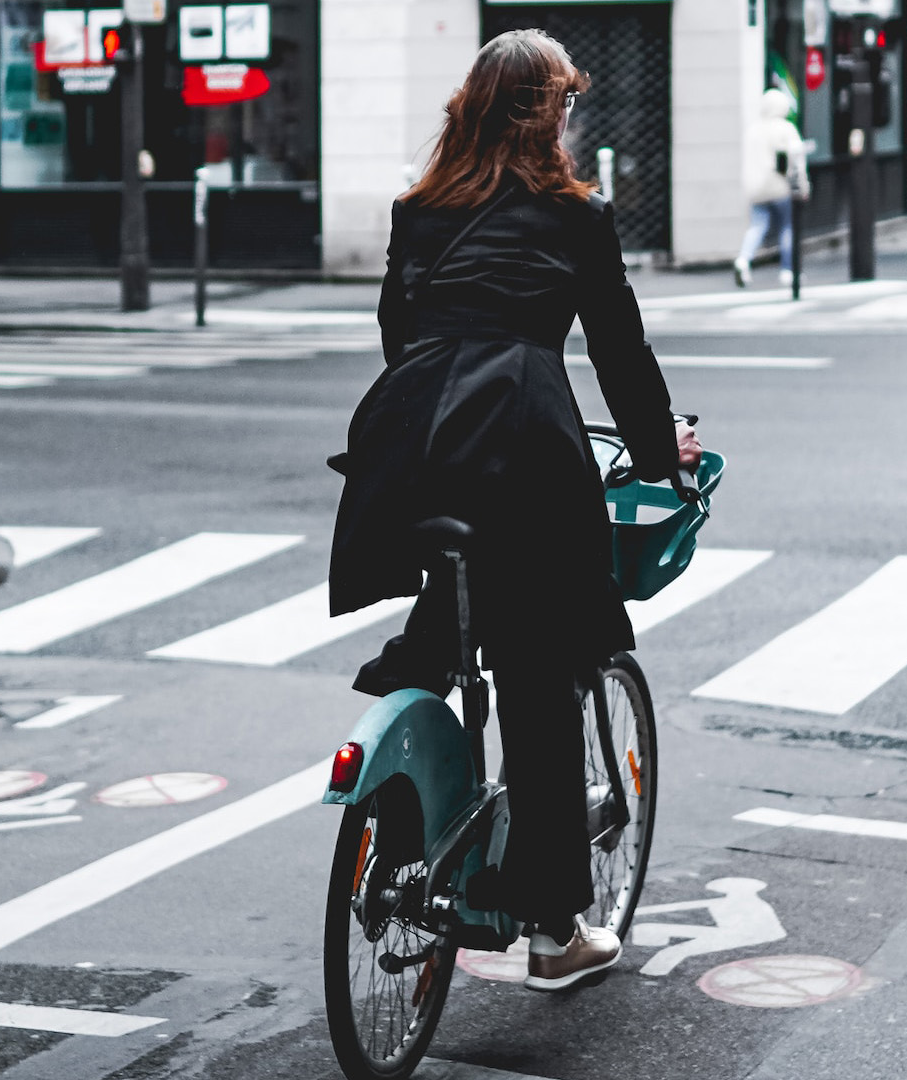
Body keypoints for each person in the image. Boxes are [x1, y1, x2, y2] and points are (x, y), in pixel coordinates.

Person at [328, 29, 702, 992]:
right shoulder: (575, 214)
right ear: (549, 117)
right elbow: (619, 351)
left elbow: (396, 334)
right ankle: (552, 930)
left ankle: (418, 781)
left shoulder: (421, 211)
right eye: (567, 106)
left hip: (413, 440)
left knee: (451, 628)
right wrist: (663, 457)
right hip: (525, 441)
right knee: (541, 673)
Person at [734, 88, 810, 287]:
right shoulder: (786, 129)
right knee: (787, 227)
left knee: (757, 226)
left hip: (756, 188)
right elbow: (796, 161)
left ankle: (743, 260)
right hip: (780, 187)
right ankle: (788, 270)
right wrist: (802, 185)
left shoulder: (753, 130)